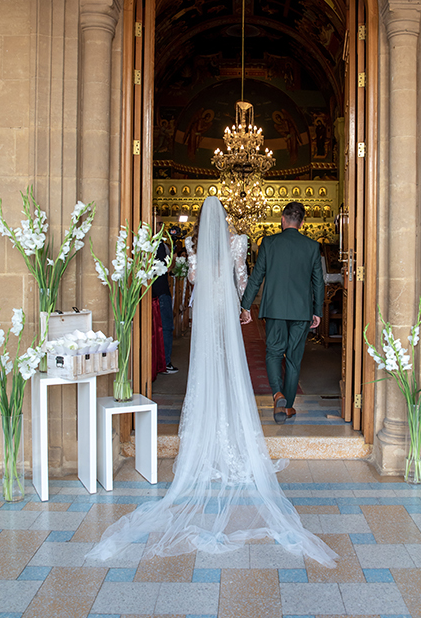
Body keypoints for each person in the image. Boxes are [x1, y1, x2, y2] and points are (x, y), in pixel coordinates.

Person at [86, 196, 337, 567]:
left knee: (211, 364)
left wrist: (204, 269)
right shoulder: (241, 243)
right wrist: (244, 305)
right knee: (246, 360)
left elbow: (193, 279)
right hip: (238, 306)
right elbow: (242, 277)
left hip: (206, 309)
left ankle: (216, 419)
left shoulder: (194, 245)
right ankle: (272, 402)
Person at [240, 201, 323, 424]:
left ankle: (277, 394)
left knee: (274, 352)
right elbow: (318, 282)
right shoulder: (312, 246)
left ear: (283, 220)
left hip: (275, 308)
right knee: (294, 358)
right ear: (303, 223)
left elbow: (257, 276)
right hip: (302, 311)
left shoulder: (269, 243)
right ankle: (287, 407)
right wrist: (318, 311)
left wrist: (245, 306)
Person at [152, 215, 178, 374]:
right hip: (160, 291)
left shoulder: (156, 244)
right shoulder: (159, 245)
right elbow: (167, 268)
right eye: (159, 223)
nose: (163, 226)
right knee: (166, 327)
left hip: (155, 291)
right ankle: (165, 362)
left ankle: (159, 362)